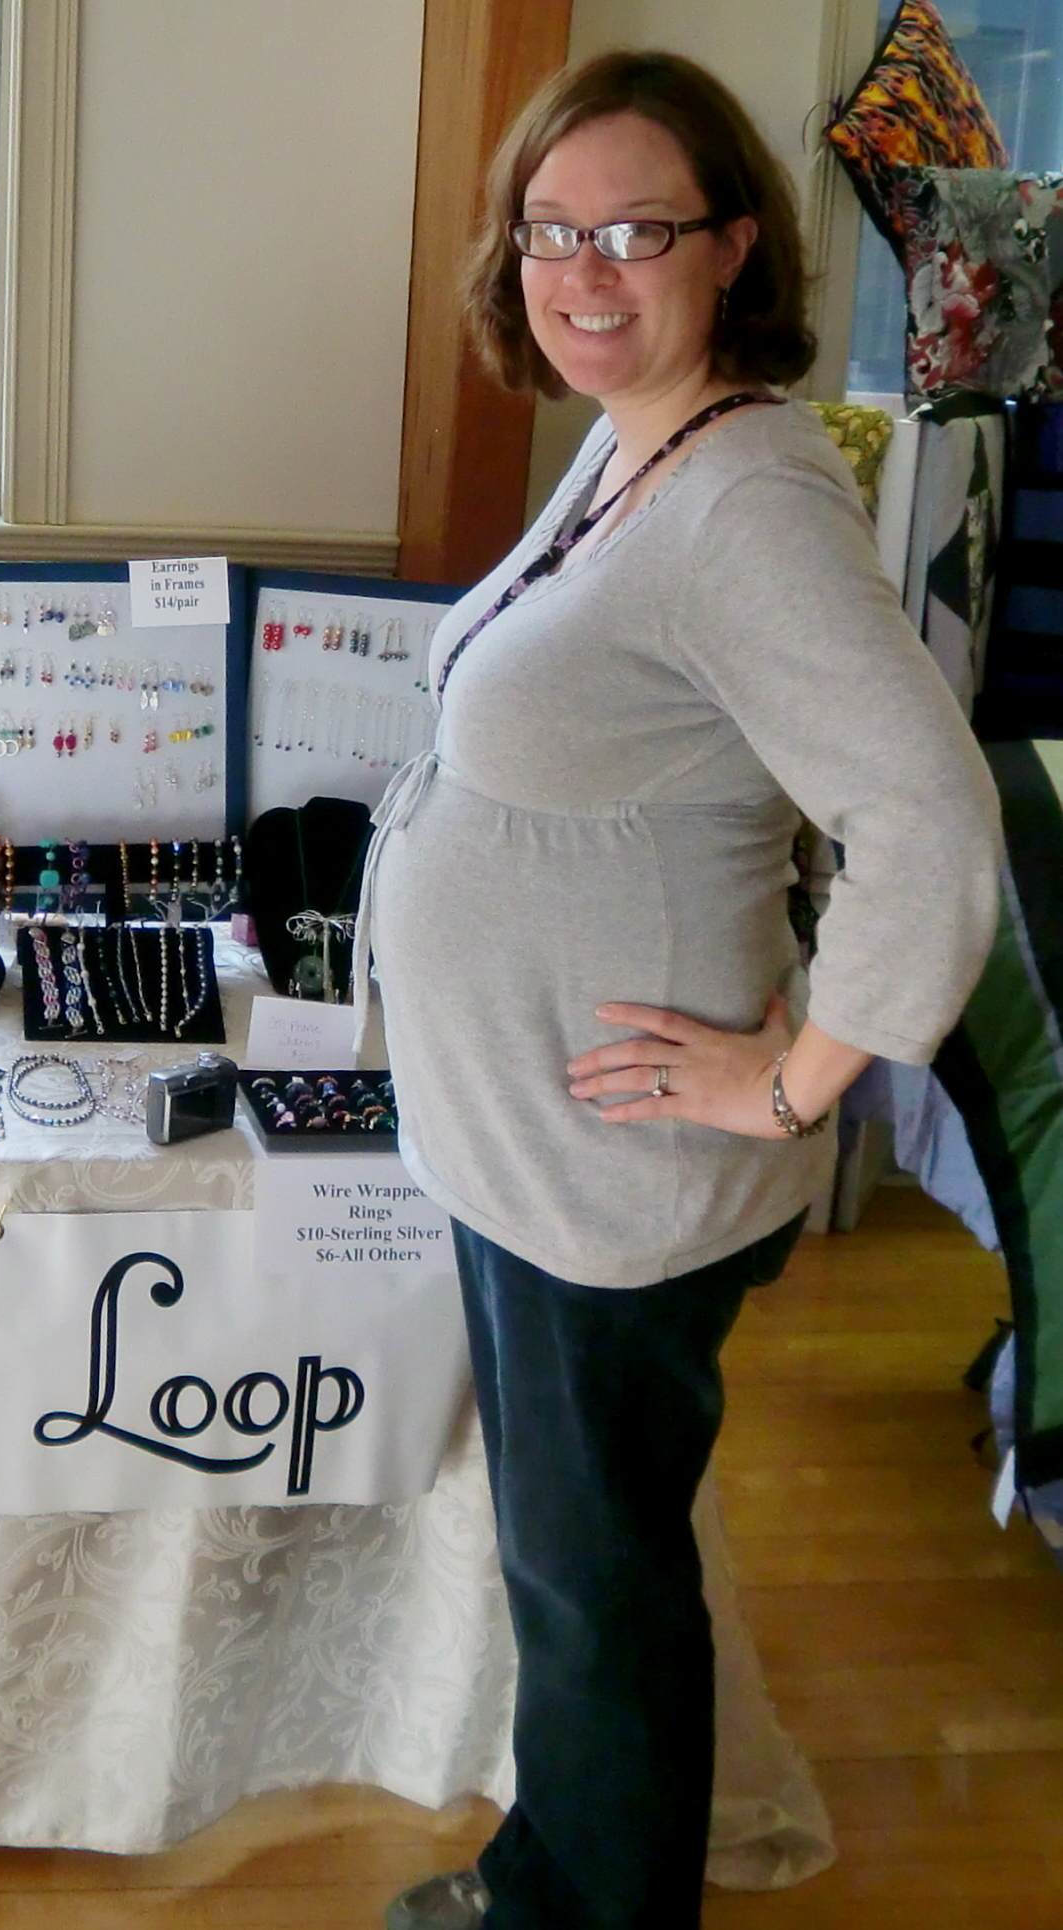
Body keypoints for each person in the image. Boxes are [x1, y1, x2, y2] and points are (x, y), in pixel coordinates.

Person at [364, 49, 1002, 1930]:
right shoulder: (634, 439)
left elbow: (931, 826)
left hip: (617, 1180)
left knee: (601, 1583)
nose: (584, 270)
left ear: (732, 245)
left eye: (634, 228)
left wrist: (795, 1084)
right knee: (571, 1565)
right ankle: (548, 1863)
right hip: (539, 1152)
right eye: (554, 231)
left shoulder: (749, 505)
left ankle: (598, 1907)